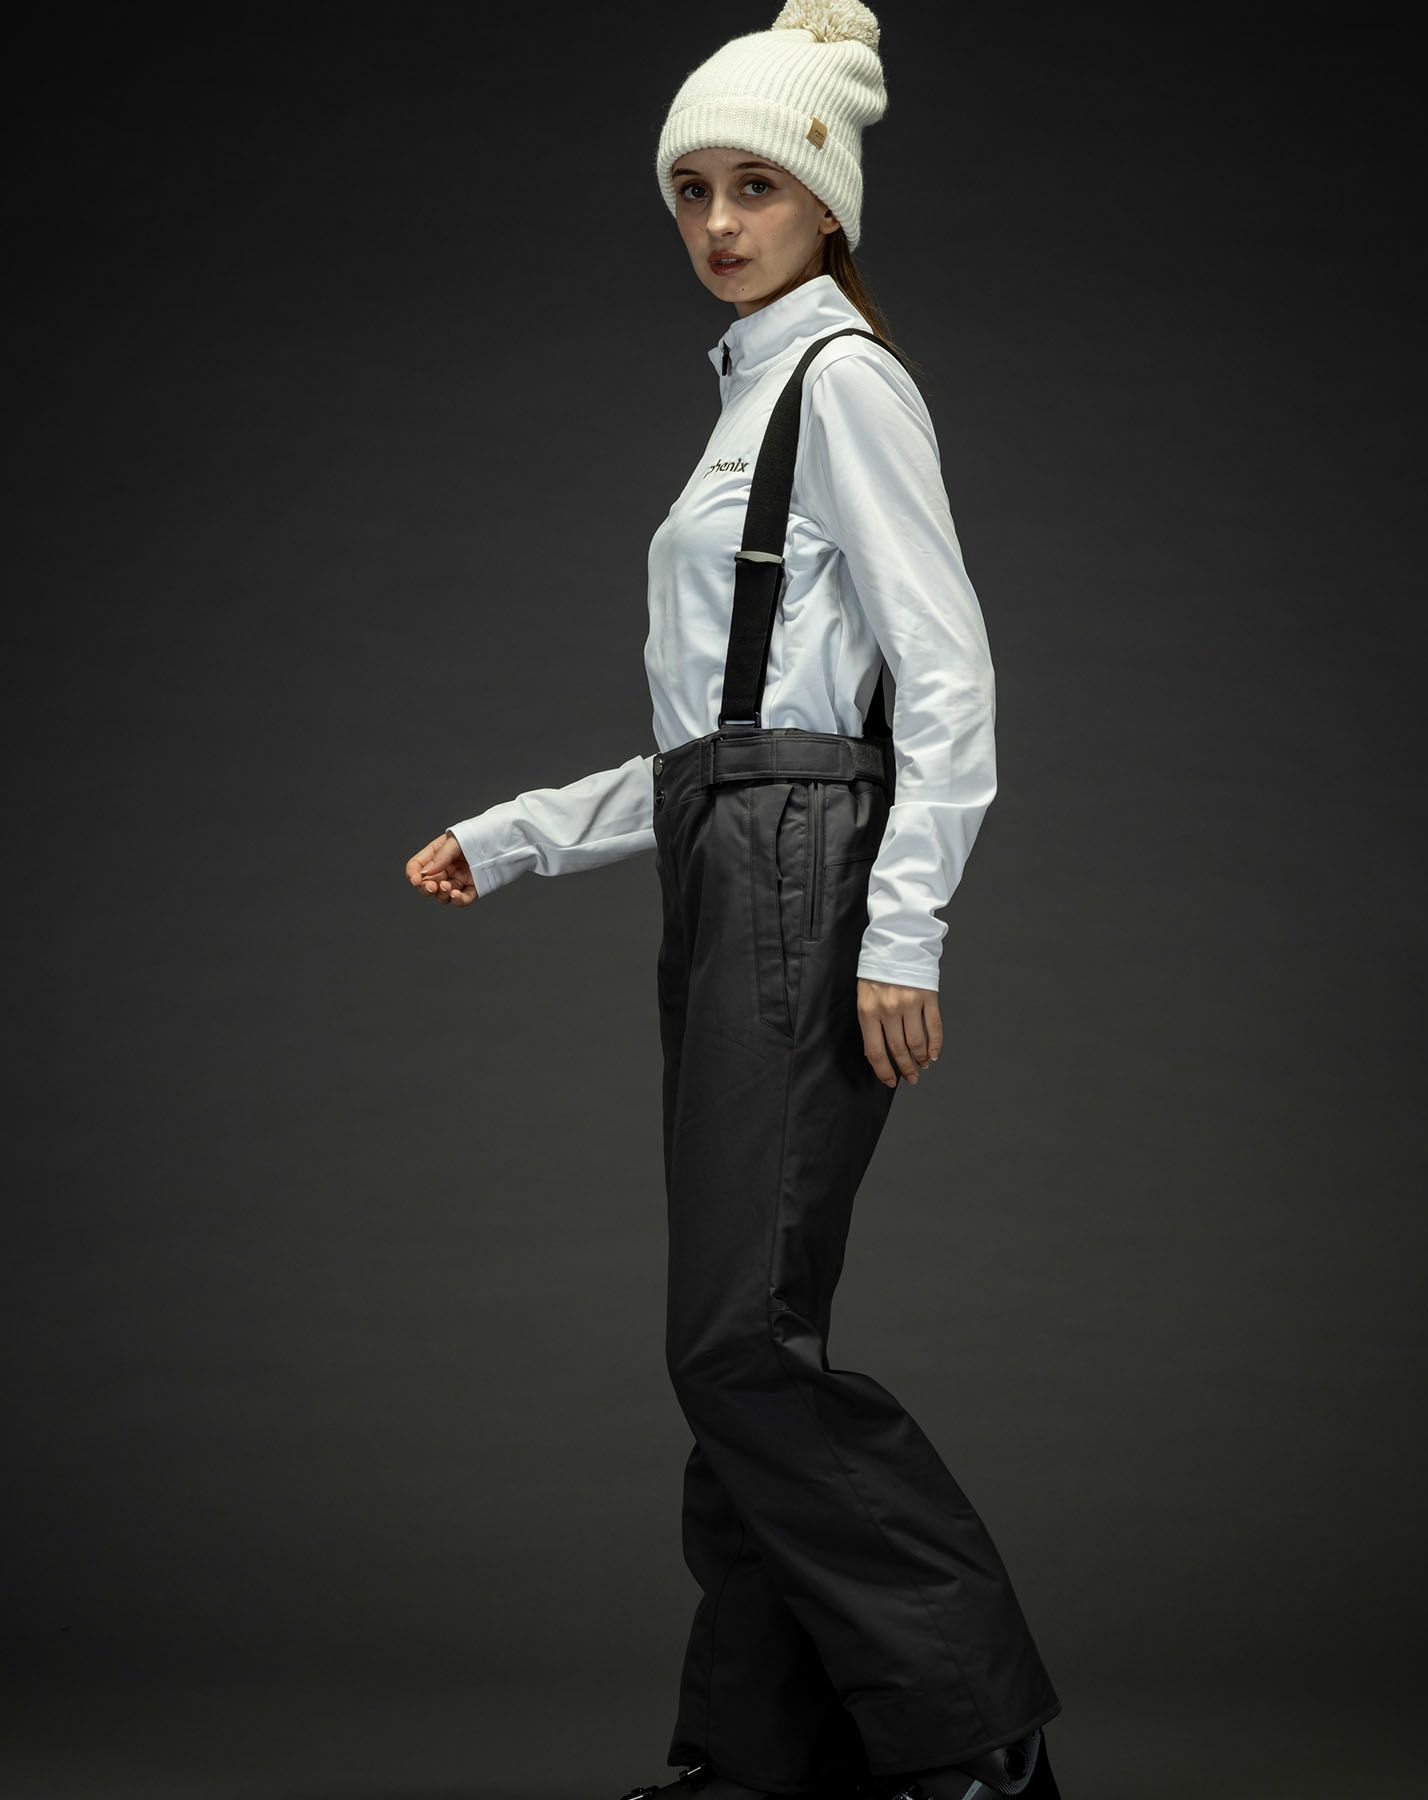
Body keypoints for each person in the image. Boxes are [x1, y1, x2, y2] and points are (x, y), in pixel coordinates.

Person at [405, 4, 1063, 1796]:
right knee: (747, 1330)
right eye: (691, 188)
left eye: (755, 186)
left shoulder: (841, 381)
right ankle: (753, 1759)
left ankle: (981, 1736)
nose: (716, 221)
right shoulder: (751, 395)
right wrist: (519, 833)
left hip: (798, 879)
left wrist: (905, 928)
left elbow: (943, 677)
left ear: (826, 202)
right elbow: (721, 744)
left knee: (735, 1342)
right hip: (736, 856)